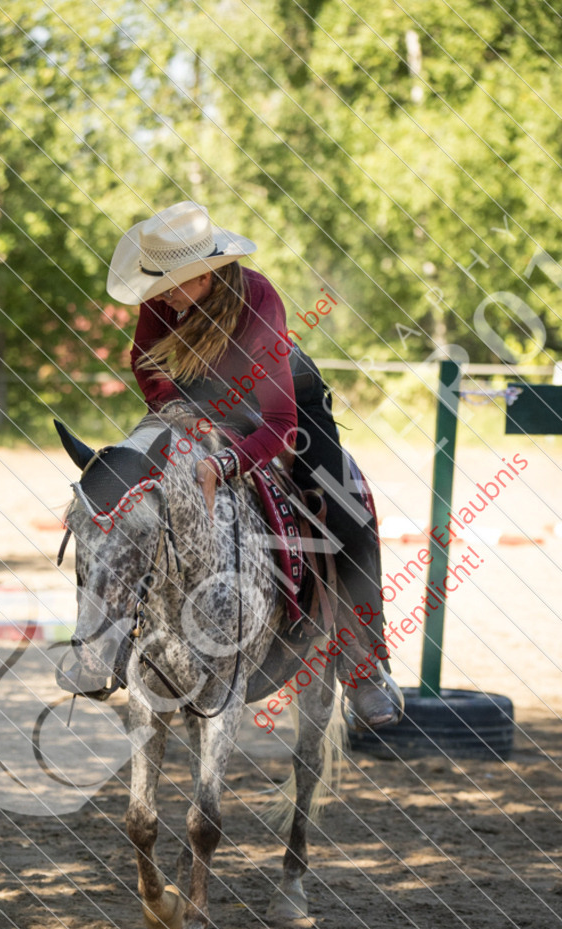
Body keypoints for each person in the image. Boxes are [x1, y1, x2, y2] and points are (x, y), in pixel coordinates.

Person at [106, 200, 402, 729]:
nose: (162, 295)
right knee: (133, 491)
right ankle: (114, 637)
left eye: (174, 283)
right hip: (196, 403)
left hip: (281, 404)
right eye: (158, 283)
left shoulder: (257, 297)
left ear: (207, 273)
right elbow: (146, 362)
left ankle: (363, 663)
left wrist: (224, 462)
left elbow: (280, 422)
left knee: (346, 513)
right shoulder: (163, 293)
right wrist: (177, 413)